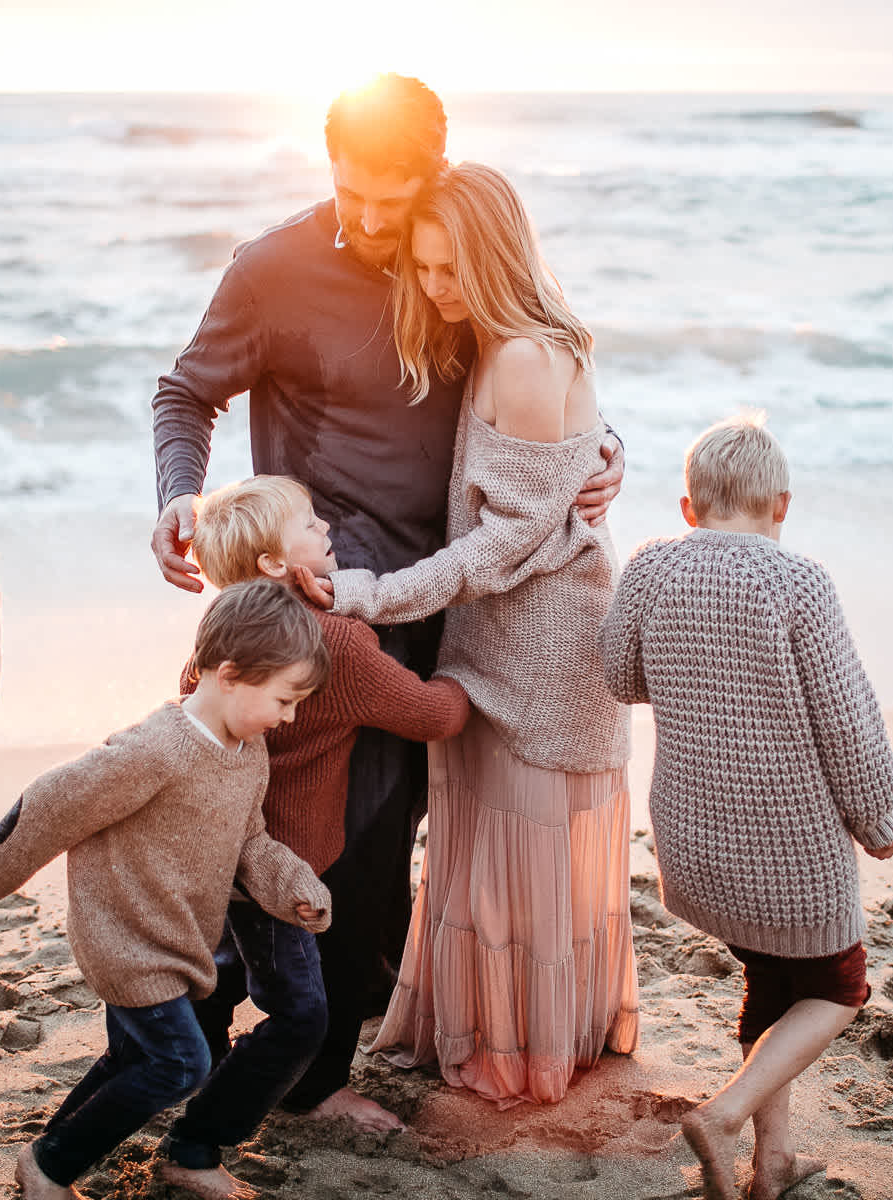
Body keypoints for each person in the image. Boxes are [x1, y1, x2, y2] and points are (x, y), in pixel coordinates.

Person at [148, 72, 625, 1128]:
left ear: (437, 183)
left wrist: (602, 452)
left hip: (447, 601)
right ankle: (299, 1081)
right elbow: (186, 392)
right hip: (321, 604)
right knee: (322, 836)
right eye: (350, 192)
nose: (369, 221)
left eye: (393, 200)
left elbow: (535, 365)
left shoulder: (444, 264)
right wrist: (180, 497)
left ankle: (307, 1049)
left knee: (390, 833)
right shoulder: (271, 269)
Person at [307, 162, 638, 1107]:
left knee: (522, 848)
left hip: (545, 646)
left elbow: (502, 549)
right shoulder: (493, 342)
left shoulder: (527, 357)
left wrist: (370, 594)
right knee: (491, 842)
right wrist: (609, 445)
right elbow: (562, 468)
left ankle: (522, 1048)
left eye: (450, 267)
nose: (434, 286)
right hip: (498, 637)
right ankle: (504, 1026)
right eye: (423, 266)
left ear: (496, 258)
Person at [596, 413, 893, 1200]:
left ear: (689, 508)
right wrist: (877, 817)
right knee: (839, 988)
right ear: (782, 506)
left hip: (697, 842)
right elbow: (847, 718)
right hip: (789, 845)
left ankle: (771, 1164)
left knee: (771, 986)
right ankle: (726, 1115)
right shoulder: (798, 581)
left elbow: (621, 678)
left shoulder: (651, 568)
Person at [0, 579, 334, 1200]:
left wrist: (290, 884)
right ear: (231, 673)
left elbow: (251, 841)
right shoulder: (157, 750)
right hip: (125, 940)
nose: (289, 717)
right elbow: (54, 802)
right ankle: (50, 1167)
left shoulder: (247, 751)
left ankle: (43, 1158)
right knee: (182, 1064)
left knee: (133, 1062)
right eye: (285, 699)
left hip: (173, 939)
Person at [156, 476, 470, 1190]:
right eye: (308, 523)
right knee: (303, 1003)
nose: (326, 525)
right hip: (291, 861)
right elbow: (430, 717)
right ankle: (242, 1113)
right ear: (275, 563)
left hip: (216, 849)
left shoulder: (220, 629)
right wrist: (468, 682)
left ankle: (188, 1064)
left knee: (224, 968)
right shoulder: (333, 640)